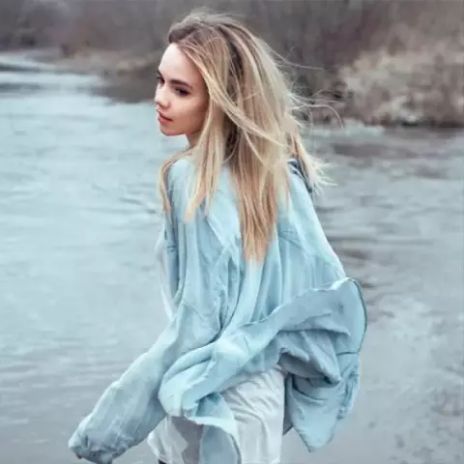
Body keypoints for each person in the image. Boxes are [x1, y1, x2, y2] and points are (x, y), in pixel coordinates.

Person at [68, 9, 367, 464]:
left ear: (222, 101)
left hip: (208, 408)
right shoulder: (279, 175)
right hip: (258, 405)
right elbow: (327, 297)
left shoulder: (192, 181)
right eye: (160, 81)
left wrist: (107, 429)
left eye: (181, 90)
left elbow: (196, 327)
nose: (160, 99)